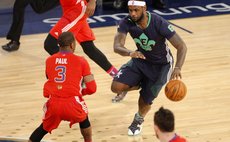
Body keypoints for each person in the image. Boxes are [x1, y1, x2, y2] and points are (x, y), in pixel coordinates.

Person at [111, 0, 187, 136]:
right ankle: (139, 84)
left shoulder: (159, 22)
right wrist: (130, 53)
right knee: (116, 87)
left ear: (144, 8)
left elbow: (182, 46)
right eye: (130, 10)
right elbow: (117, 46)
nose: (133, 14)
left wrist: (178, 68)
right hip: (141, 58)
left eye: (136, 10)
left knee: (145, 99)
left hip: (162, 66)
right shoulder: (126, 22)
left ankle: (137, 120)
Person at [44, 0, 126, 101]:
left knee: (49, 44)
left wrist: (92, 1)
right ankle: (120, 80)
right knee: (90, 49)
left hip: (76, 10)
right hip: (70, 9)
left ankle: (76, 74)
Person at [28, 32, 96, 142]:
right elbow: (92, 88)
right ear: (72, 45)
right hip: (73, 103)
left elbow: (50, 79)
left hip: (54, 102)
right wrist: (79, 92)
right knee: (84, 119)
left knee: (42, 129)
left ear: (58, 45)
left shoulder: (49, 60)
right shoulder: (81, 61)